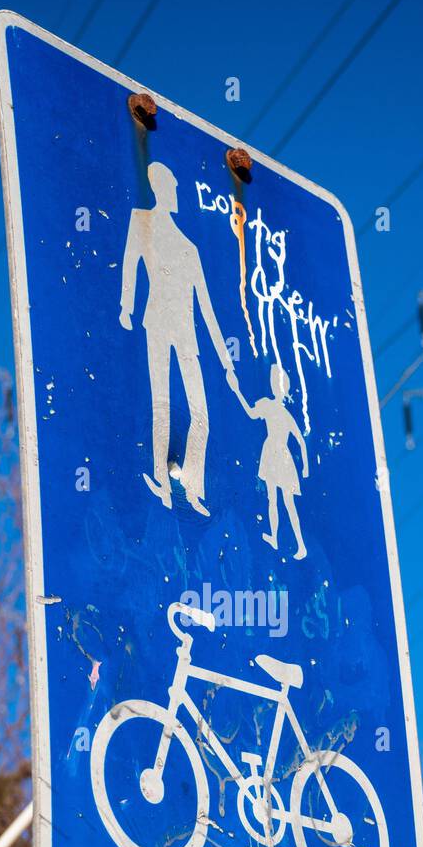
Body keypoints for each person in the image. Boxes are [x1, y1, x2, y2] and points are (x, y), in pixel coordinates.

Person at [119, 161, 236, 517]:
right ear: (159, 188)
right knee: (162, 406)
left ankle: (192, 487)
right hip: (156, 322)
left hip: (187, 336)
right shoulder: (142, 222)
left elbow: (208, 311)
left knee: (201, 414)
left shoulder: (190, 249)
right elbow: (130, 263)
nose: (175, 194)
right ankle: (161, 479)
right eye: (170, 187)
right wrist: (126, 306)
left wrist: (228, 363)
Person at [232, 364, 308, 560]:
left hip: (282, 456)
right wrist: (236, 390)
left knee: (288, 503)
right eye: (275, 383)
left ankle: (301, 545)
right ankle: (274, 537)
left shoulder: (285, 414)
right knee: (272, 498)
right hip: (272, 453)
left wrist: (306, 466)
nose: (277, 388)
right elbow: (250, 413)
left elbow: (300, 440)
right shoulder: (266, 404)